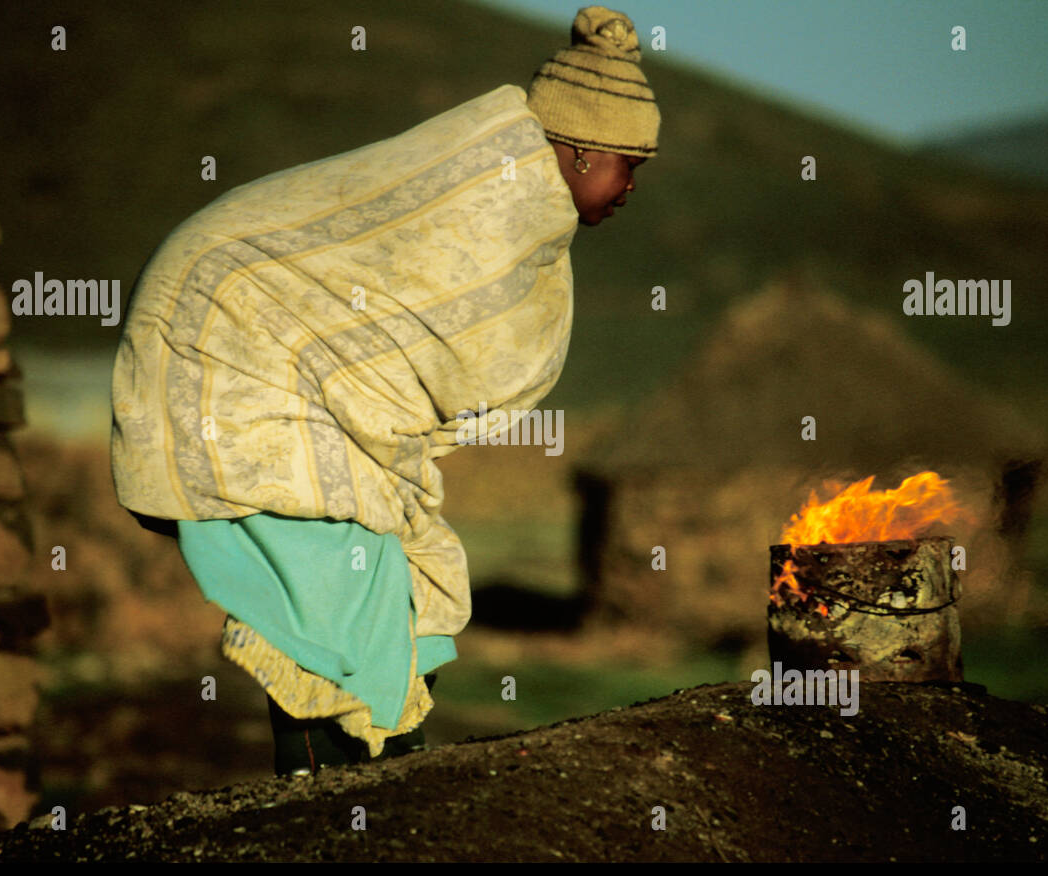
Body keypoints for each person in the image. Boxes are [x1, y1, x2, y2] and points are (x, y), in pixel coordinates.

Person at [109, 5, 659, 776]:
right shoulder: (491, 202)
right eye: (626, 163)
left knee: (387, 595)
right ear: (575, 151)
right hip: (232, 356)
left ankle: (382, 790)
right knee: (337, 614)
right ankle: (329, 809)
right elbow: (420, 348)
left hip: (273, 365)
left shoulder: (520, 205)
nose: (633, 184)